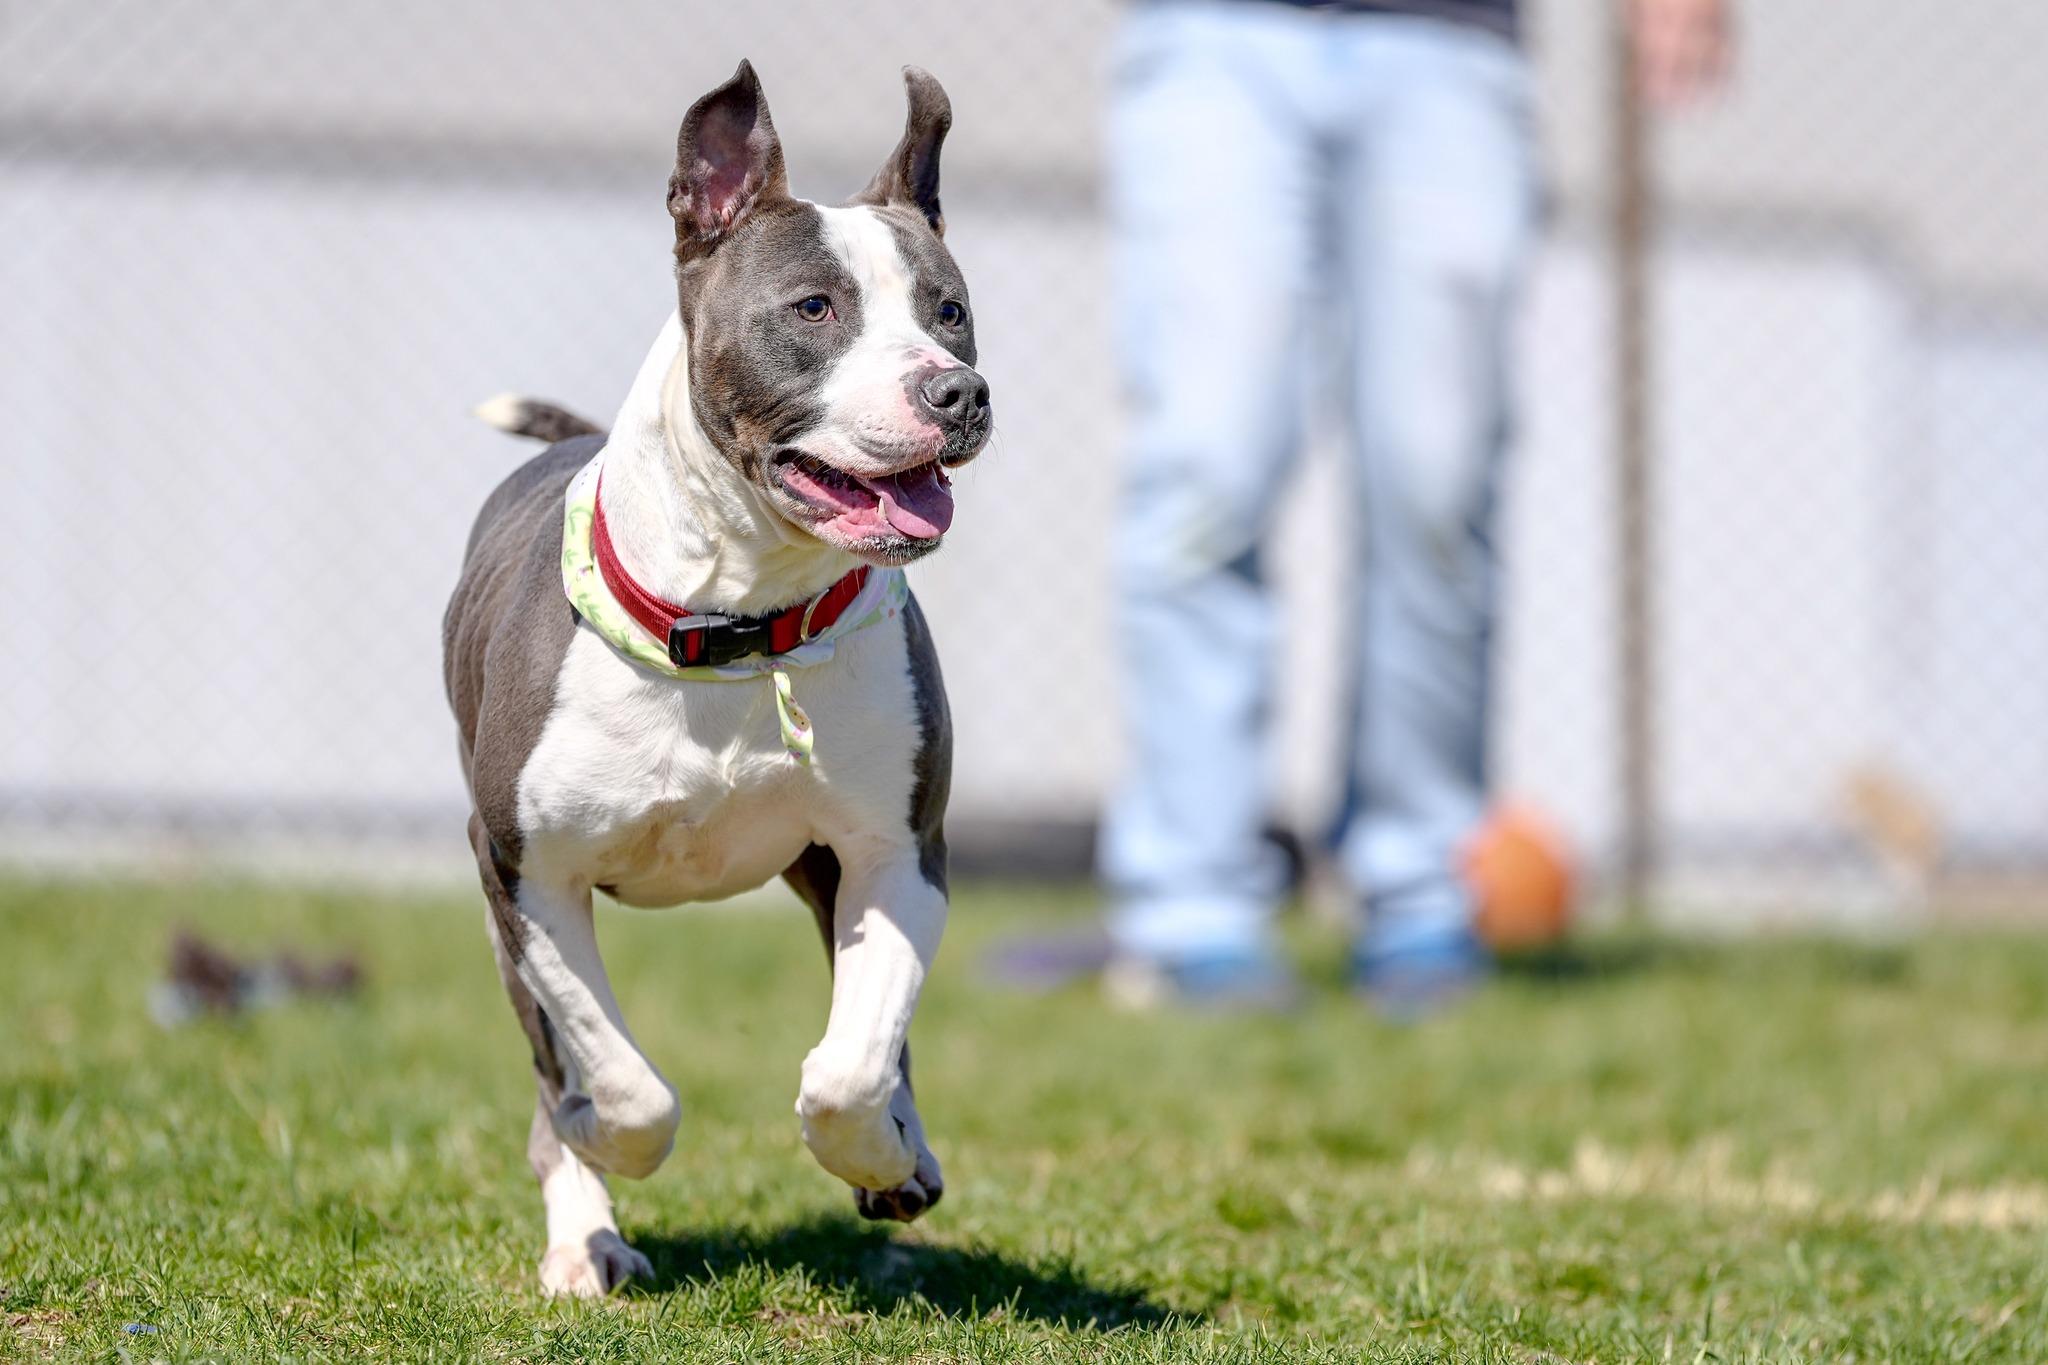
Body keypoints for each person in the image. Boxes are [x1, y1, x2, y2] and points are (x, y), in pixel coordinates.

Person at [1097, 0, 1730, 1012]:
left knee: (1435, 484)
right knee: (1204, 471)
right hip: (1213, 30)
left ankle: (1419, 893)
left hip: (1448, 37)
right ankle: (1189, 911)